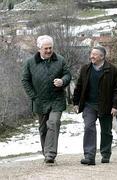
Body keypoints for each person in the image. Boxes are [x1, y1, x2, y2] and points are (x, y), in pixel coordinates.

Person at [22, 35, 71, 164]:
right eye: (46, 48)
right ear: (39, 49)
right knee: (43, 128)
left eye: (51, 48)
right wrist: (33, 96)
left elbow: (68, 74)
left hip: (57, 99)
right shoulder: (30, 62)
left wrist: (62, 81)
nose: (49, 51)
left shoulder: (60, 60)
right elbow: (25, 81)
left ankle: (50, 153)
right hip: (40, 101)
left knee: (53, 123)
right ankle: (46, 152)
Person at [73, 46, 117, 166]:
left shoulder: (112, 70)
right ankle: (89, 156)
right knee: (89, 127)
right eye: (91, 54)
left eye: (95, 54)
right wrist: (75, 102)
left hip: (106, 105)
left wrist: (116, 106)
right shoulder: (86, 69)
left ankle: (105, 153)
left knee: (106, 131)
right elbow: (79, 86)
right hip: (89, 104)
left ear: (102, 56)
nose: (92, 56)